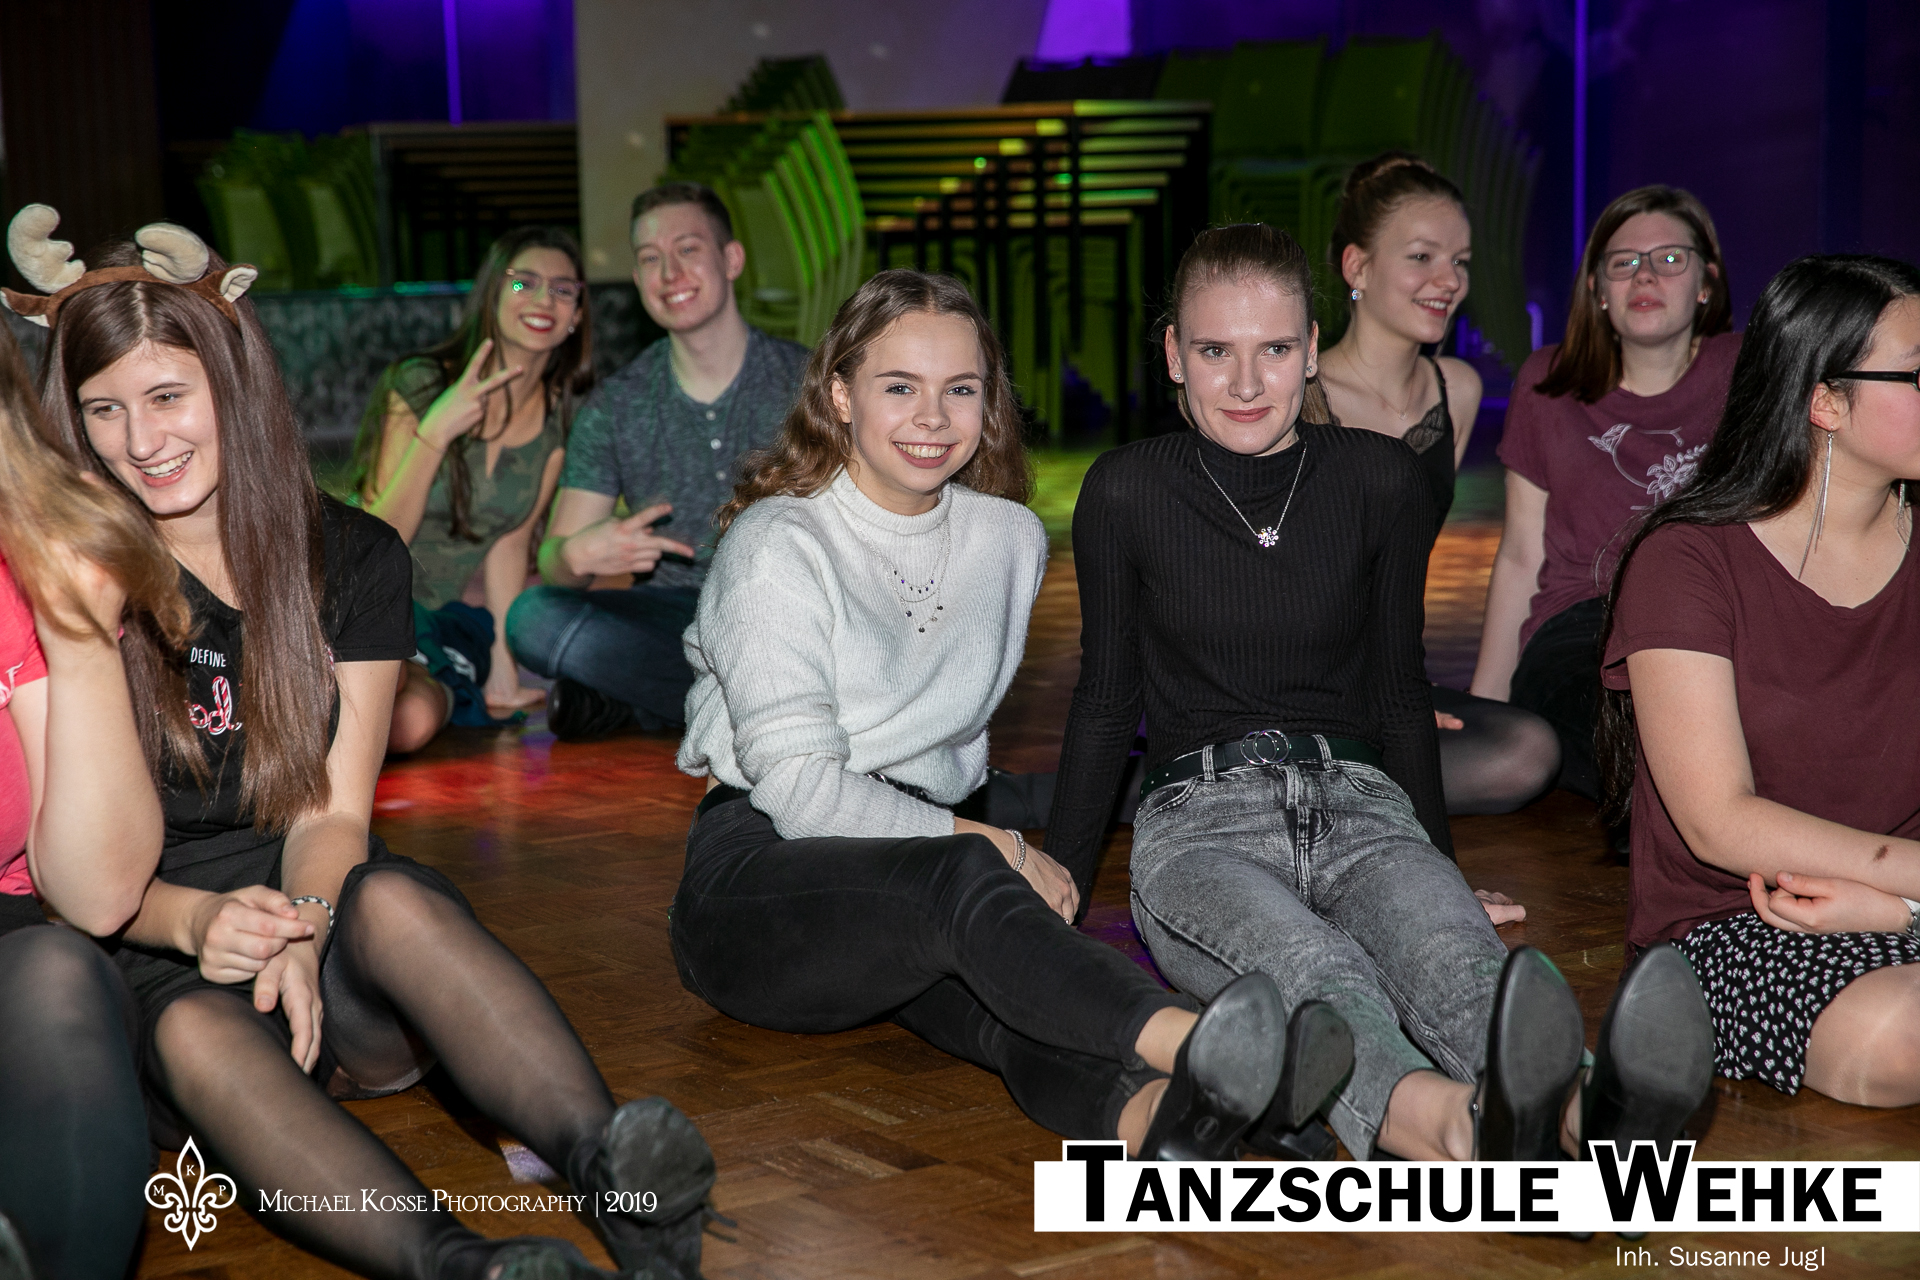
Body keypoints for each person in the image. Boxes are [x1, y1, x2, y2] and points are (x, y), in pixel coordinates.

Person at [21, 208, 716, 1280]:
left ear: (233, 384)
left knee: (391, 897)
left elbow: (334, 813)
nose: (140, 440)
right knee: (198, 1030)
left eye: (167, 396)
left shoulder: (351, 556)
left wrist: (305, 925)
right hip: (162, 949)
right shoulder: (76, 584)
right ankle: (470, 1266)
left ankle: (622, 1182)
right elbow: (81, 884)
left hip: (320, 901)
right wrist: (202, 925)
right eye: (103, 409)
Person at [1047, 222, 1714, 1162]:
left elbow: (1399, 691)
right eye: (1216, 351)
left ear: (1313, 349)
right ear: (1173, 355)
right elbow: (1106, 701)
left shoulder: (1378, 478)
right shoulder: (1127, 490)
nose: (1247, 383)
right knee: (1320, 976)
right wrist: (1063, 880)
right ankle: (1448, 1125)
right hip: (1200, 827)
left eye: (1276, 350)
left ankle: (1586, 1114)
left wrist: (1440, 866)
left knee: (1460, 966)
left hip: (1362, 805)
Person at [671, 268, 1354, 1161]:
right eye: (899, 387)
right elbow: (799, 793)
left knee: (1011, 1005)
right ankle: (1206, 1050)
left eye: (960, 389)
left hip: (914, 867)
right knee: (966, 876)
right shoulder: (777, 544)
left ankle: (1169, 1125)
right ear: (840, 395)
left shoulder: (1007, 540)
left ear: (988, 401)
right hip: (757, 884)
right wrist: (994, 843)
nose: (932, 417)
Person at [1599, 254, 1920, 1108]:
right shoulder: (1687, 561)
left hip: (1903, 905)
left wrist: (1901, 907)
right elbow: (1721, 822)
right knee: (1898, 1037)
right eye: (1919, 374)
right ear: (1825, 401)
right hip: (1741, 921)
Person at [0, 316, 181, 1280]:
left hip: (15, 930)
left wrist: (77, 639)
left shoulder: (25, 565)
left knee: (63, 975)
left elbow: (101, 894)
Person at [507, 181, 807, 741]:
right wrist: (576, 553)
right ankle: (761, 707)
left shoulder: (807, 382)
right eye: (650, 259)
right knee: (533, 618)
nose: (669, 273)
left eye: (688, 249)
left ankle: (635, 705)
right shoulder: (618, 404)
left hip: (792, 609)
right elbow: (555, 562)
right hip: (676, 614)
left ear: (732, 259)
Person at [1473, 185, 1738, 802]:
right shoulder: (1549, 381)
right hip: (1583, 624)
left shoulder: (1746, 371)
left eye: (1669, 258)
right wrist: (1486, 704)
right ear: (1597, 289)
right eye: (1623, 262)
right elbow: (1521, 554)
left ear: (1706, 282)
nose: (1645, 275)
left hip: (1712, 617)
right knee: (1634, 743)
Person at [1313, 152, 1560, 816]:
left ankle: (1328, 790)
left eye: (1461, 262)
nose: (1449, 280)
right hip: (1298, 691)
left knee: (1527, 749)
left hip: (1394, 683)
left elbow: (1401, 580)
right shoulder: (1299, 396)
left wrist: (1434, 702)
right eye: (1422, 257)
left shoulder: (1458, 391)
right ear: (1357, 267)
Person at [350, 227, 590, 752]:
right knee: (373, 695)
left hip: (448, 625)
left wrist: (504, 669)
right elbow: (374, 538)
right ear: (493, 295)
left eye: (562, 289)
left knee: (409, 723)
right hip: (367, 598)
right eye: (523, 283)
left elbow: (510, 543)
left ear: (576, 314)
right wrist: (434, 433)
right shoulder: (421, 382)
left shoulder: (561, 422)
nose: (543, 299)